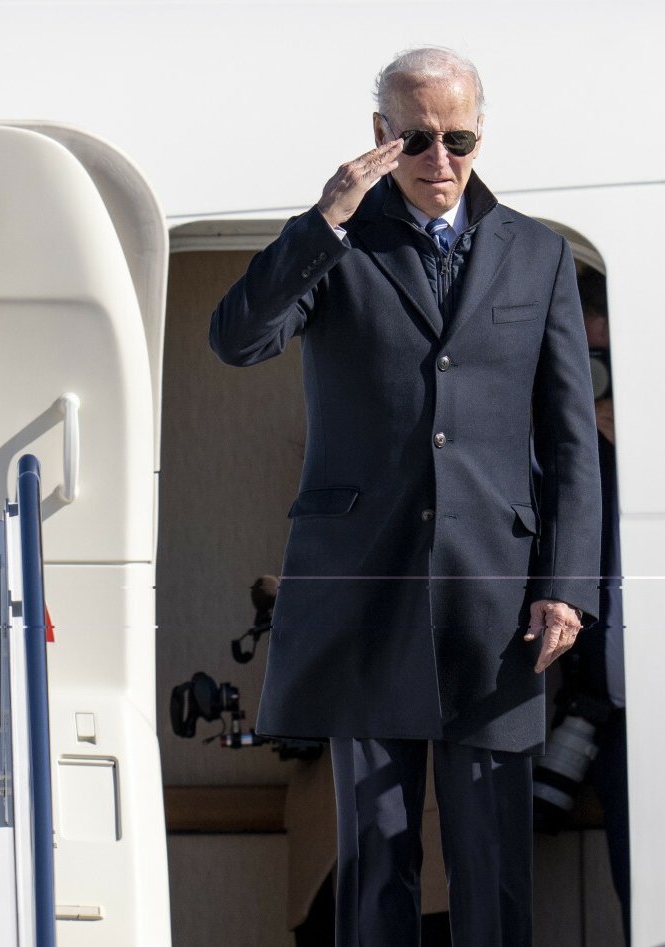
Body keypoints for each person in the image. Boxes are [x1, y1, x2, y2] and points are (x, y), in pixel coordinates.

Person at [210, 46, 601, 947]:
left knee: (493, 860)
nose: (440, 159)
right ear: (380, 137)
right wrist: (325, 218)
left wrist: (565, 586)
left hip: (496, 599)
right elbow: (237, 340)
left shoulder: (535, 252)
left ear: (479, 132)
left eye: (458, 137)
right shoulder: (337, 244)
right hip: (363, 588)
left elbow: (570, 440)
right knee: (377, 856)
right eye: (417, 138)